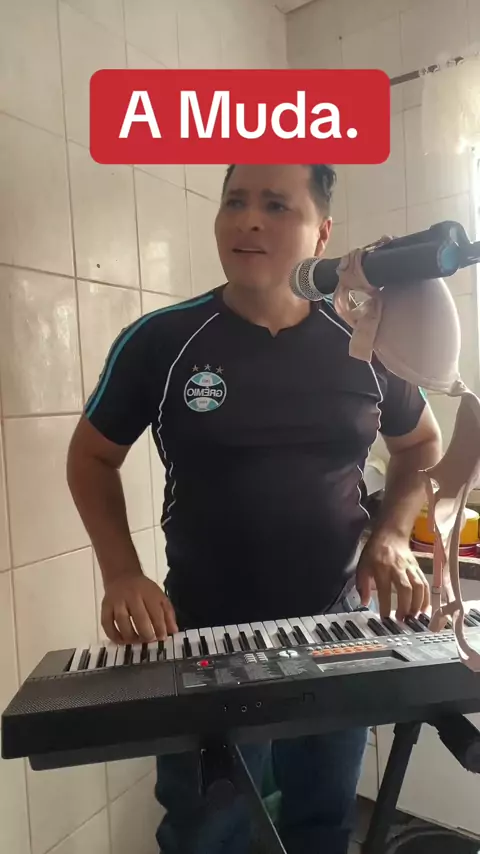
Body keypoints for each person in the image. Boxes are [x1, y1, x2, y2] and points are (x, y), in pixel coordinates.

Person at [67, 163, 442, 854]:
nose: (249, 220)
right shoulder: (163, 340)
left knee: (321, 823)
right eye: (235, 202)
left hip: (336, 627)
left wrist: (391, 533)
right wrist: (121, 572)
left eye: (276, 205)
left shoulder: (368, 340)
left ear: (323, 233)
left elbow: (421, 443)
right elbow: (90, 457)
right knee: (207, 830)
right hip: (203, 631)